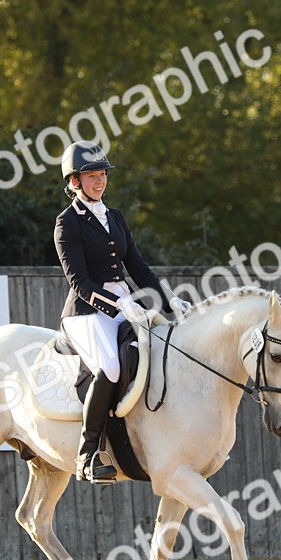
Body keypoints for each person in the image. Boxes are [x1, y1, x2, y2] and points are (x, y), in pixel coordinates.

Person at [54, 141, 191, 483]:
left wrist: (170, 299)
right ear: (75, 182)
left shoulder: (115, 218)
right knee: (111, 368)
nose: (99, 182)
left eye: (102, 175)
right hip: (86, 312)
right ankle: (87, 455)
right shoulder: (67, 223)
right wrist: (118, 303)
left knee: (161, 348)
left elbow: (138, 269)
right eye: (91, 176)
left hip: (125, 305)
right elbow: (80, 281)